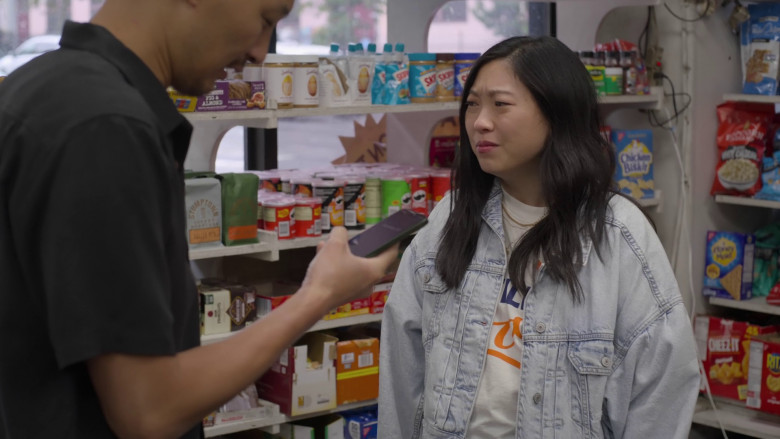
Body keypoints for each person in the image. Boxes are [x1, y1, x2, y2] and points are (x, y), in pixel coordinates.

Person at [0, 0, 398, 438]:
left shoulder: (40, 87)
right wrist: (319, 295)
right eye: (265, 20)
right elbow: (149, 411)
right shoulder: (106, 127)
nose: (260, 53)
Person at [378, 36, 700, 438]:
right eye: (473, 104)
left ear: (556, 113)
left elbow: (662, 389)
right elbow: (402, 363)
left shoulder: (618, 234)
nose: (480, 121)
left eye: (500, 104)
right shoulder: (452, 215)